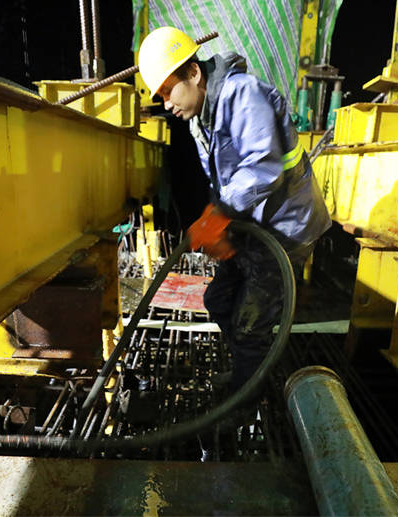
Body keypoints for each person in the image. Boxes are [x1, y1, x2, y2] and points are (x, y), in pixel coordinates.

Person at [138, 27, 331, 393]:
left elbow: (263, 167)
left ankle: (250, 396)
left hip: (287, 227)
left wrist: (220, 214)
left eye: (167, 90)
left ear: (193, 72)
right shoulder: (200, 118)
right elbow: (224, 179)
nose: (166, 104)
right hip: (258, 224)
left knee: (249, 324)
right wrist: (222, 224)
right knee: (218, 300)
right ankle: (250, 370)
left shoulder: (242, 95)